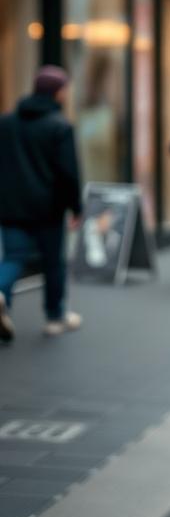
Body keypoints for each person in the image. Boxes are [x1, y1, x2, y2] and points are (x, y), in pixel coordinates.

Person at [0, 65, 83, 340]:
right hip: (48, 207)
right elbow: (68, 172)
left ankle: (1, 293)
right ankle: (55, 317)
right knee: (52, 262)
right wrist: (76, 207)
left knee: (13, 257)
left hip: (11, 205)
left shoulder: (7, 122)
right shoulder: (59, 125)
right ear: (58, 92)